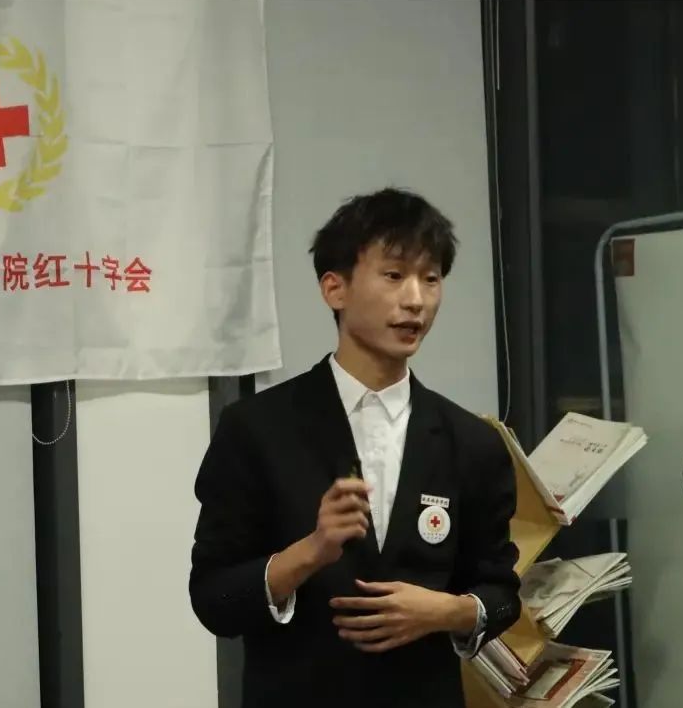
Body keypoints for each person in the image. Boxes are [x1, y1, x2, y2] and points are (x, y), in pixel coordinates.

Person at [189, 188, 521, 708]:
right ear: (334, 289)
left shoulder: (472, 442)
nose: (415, 299)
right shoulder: (257, 428)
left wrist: (449, 612)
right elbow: (213, 598)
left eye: (431, 278)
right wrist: (310, 551)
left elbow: (501, 593)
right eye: (394, 275)